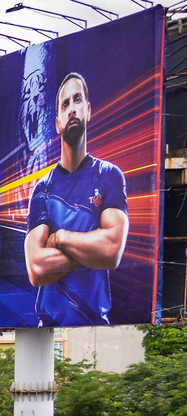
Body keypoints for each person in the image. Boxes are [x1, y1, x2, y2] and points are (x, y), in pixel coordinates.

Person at [25, 71, 130, 326]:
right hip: (47, 327)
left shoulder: (109, 175)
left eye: (77, 99)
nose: (72, 108)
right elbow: (37, 268)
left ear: (88, 110)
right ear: (58, 122)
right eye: (65, 104)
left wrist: (61, 238)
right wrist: (91, 250)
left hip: (96, 327)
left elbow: (113, 250)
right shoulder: (43, 189)